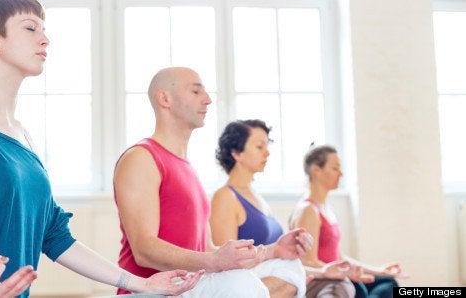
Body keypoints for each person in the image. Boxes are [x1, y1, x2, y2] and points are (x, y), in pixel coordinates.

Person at [0, 0, 203, 298]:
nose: (45, 39)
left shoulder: (22, 135)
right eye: (30, 28)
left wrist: (139, 283)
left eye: (44, 29)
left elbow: (54, 235)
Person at [112, 67, 313, 297]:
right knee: (241, 282)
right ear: (164, 98)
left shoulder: (188, 169)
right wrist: (214, 262)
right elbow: (144, 250)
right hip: (153, 291)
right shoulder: (141, 158)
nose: (207, 100)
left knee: (287, 265)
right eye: (196, 92)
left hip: (191, 285)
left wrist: (274, 250)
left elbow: (207, 250)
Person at [209, 119, 355, 298]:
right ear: (236, 153)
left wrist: (322, 272)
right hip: (259, 286)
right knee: (338, 288)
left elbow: (280, 260)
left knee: (342, 283)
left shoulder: (257, 197)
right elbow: (227, 267)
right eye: (259, 146)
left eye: (267, 146)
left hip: (283, 281)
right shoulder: (225, 197)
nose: (267, 153)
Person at [289, 145, 409, 298]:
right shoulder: (308, 210)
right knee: (361, 289)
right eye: (335, 168)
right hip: (324, 281)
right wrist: (345, 274)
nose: (341, 173)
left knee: (387, 282)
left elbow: (339, 257)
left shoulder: (326, 208)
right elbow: (307, 261)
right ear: (316, 170)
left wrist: (378, 270)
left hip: (338, 274)